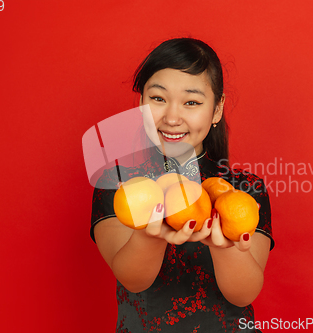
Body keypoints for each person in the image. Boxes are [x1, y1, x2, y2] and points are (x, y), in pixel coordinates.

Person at [90, 37, 274, 333]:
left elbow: (243, 294)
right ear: (140, 104)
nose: (172, 117)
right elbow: (133, 280)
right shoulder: (118, 183)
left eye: (191, 102)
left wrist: (224, 247)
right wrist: (151, 237)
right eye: (158, 98)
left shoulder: (244, 189)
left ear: (216, 109)